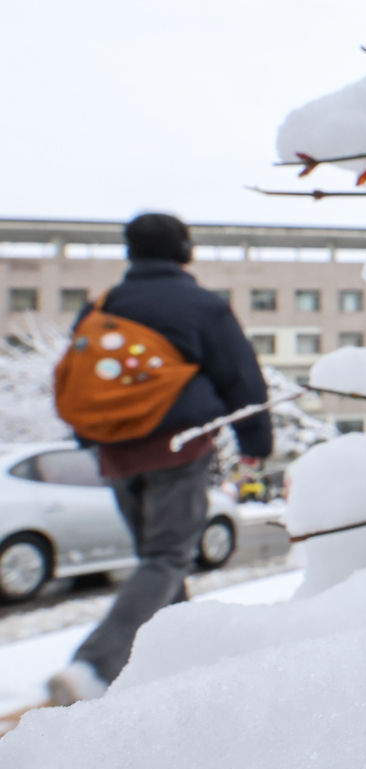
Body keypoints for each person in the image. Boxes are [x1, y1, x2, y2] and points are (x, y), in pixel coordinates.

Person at [46, 213, 272, 705]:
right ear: (184, 249)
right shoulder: (202, 306)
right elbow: (241, 378)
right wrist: (255, 443)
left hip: (116, 453)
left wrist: (91, 439)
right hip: (177, 444)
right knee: (167, 557)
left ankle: (180, 656)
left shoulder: (102, 306)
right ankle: (94, 664)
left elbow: (81, 376)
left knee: (158, 562)